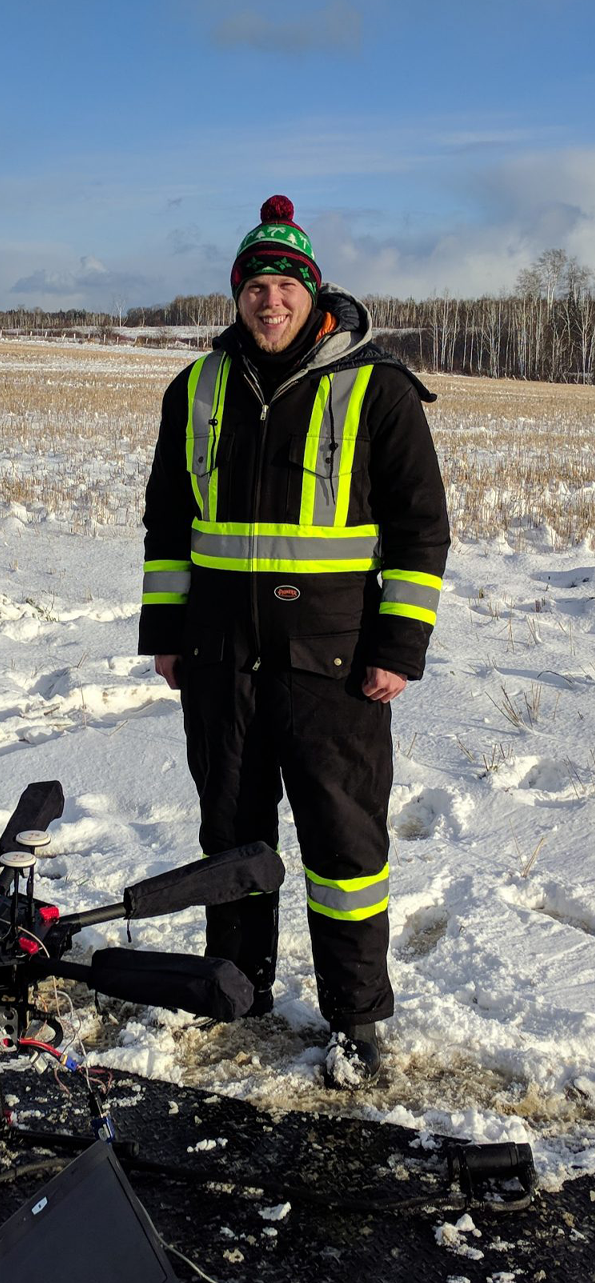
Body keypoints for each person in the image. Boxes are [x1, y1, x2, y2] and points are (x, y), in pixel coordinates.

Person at [139, 195, 450, 1086]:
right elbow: (168, 524)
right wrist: (167, 633)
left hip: (337, 669)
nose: (269, 300)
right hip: (220, 662)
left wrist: (399, 646)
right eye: (255, 285)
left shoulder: (377, 386)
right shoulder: (195, 387)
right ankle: (238, 995)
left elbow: (421, 531)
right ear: (237, 295)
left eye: (285, 285)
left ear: (314, 294)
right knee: (232, 842)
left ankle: (355, 1020)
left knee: (344, 853)